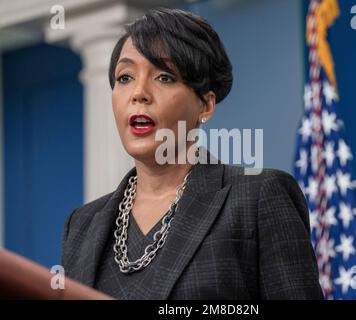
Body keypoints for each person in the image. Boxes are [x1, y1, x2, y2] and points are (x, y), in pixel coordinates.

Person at [61, 7, 324, 300]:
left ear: (205, 105)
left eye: (164, 77)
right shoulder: (82, 224)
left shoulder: (259, 196)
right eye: (125, 78)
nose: (138, 93)